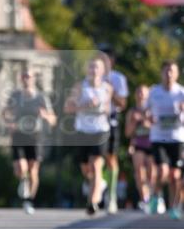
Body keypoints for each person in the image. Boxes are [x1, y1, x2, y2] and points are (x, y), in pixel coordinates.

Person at [3, 69, 56, 214]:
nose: (27, 79)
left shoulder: (41, 97)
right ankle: (23, 180)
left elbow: (53, 120)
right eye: (24, 76)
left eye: (29, 76)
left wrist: (45, 116)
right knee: (20, 168)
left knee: (33, 170)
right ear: (21, 78)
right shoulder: (15, 95)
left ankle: (29, 200)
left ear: (34, 79)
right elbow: (5, 112)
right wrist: (9, 122)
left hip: (35, 136)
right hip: (18, 134)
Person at [65, 56, 112, 216]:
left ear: (103, 71)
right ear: (87, 70)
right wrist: (84, 105)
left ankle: (92, 202)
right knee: (86, 169)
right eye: (91, 67)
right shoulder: (80, 87)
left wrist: (101, 107)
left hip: (100, 131)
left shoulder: (107, 88)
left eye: (97, 67)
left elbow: (108, 110)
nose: (94, 70)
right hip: (83, 131)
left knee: (96, 165)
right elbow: (68, 108)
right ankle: (100, 185)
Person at [146, 60, 184, 219]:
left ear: (177, 74)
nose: (169, 74)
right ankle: (155, 195)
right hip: (159, 137)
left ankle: (174, 206)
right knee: (162, 171)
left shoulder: (181, 92)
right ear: (161, 73)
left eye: (172, 71)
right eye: (166, 71)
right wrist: (149, 119)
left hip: (177, 137)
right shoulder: (154, 91)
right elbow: (146, 113)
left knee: (175, 176)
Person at [98, 48, 129, 214]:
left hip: (111, 121)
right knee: (93, 160)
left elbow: (123, 104)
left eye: (106, 60)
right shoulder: (93, 77)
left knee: (110, 158)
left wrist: (111, 91)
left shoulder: (118, 78)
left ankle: (111, 196)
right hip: (93, 123)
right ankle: (99, 186)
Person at [125, 84, 155, 213]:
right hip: (138, 144)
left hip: (152, 144)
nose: (141, 95)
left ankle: (154, 197)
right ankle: (145, 200)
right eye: (138, 92)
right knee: (139, 173)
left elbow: (157, 127)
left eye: (143, 92)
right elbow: (127, 132)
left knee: (151, 174)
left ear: (148, 95)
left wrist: (146, 122)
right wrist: (134, 121)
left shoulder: (153, 109)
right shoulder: (132, 111)